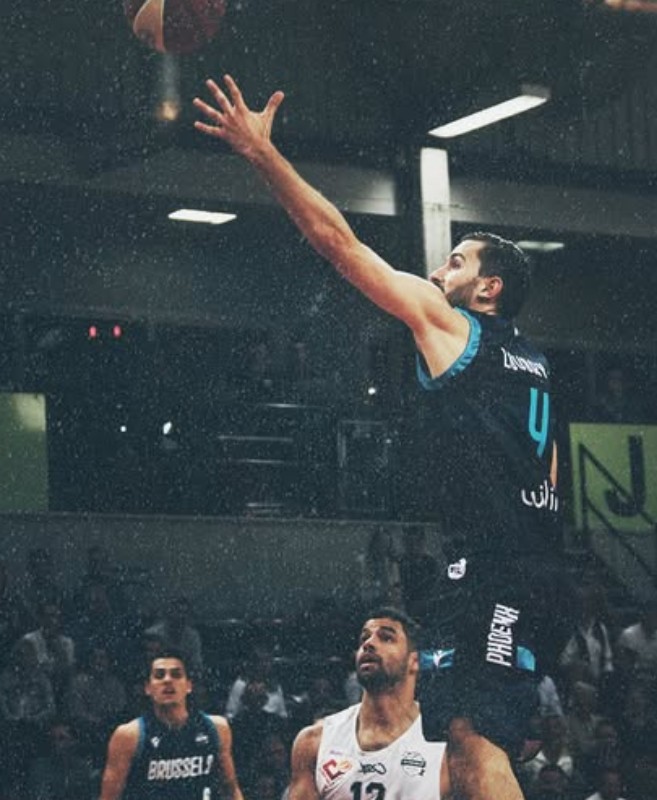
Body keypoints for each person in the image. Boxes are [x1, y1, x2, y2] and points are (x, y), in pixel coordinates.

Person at [194, 76, 574, 795]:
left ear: (488, 289)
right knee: (463, 741)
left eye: (456, 262)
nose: (437, 271)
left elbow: (339, 245)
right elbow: (550, 471)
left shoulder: (454, 327)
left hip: (497, 568)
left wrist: (262, 155)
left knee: (472, 739)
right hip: (535, 567)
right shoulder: (537, 365)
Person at [285, 605, 524, 800]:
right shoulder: (314, 742)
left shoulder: (450, 745)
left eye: (386, 637)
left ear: (414, 661)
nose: (369, 643)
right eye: (364, 638)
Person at [99, 649, 243, 800]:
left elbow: (231, 790)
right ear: (148, 688)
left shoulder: (216, 728)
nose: (167, 680)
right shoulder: (129, 736)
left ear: (189, 685)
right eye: (159, 675)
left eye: (176, 674)